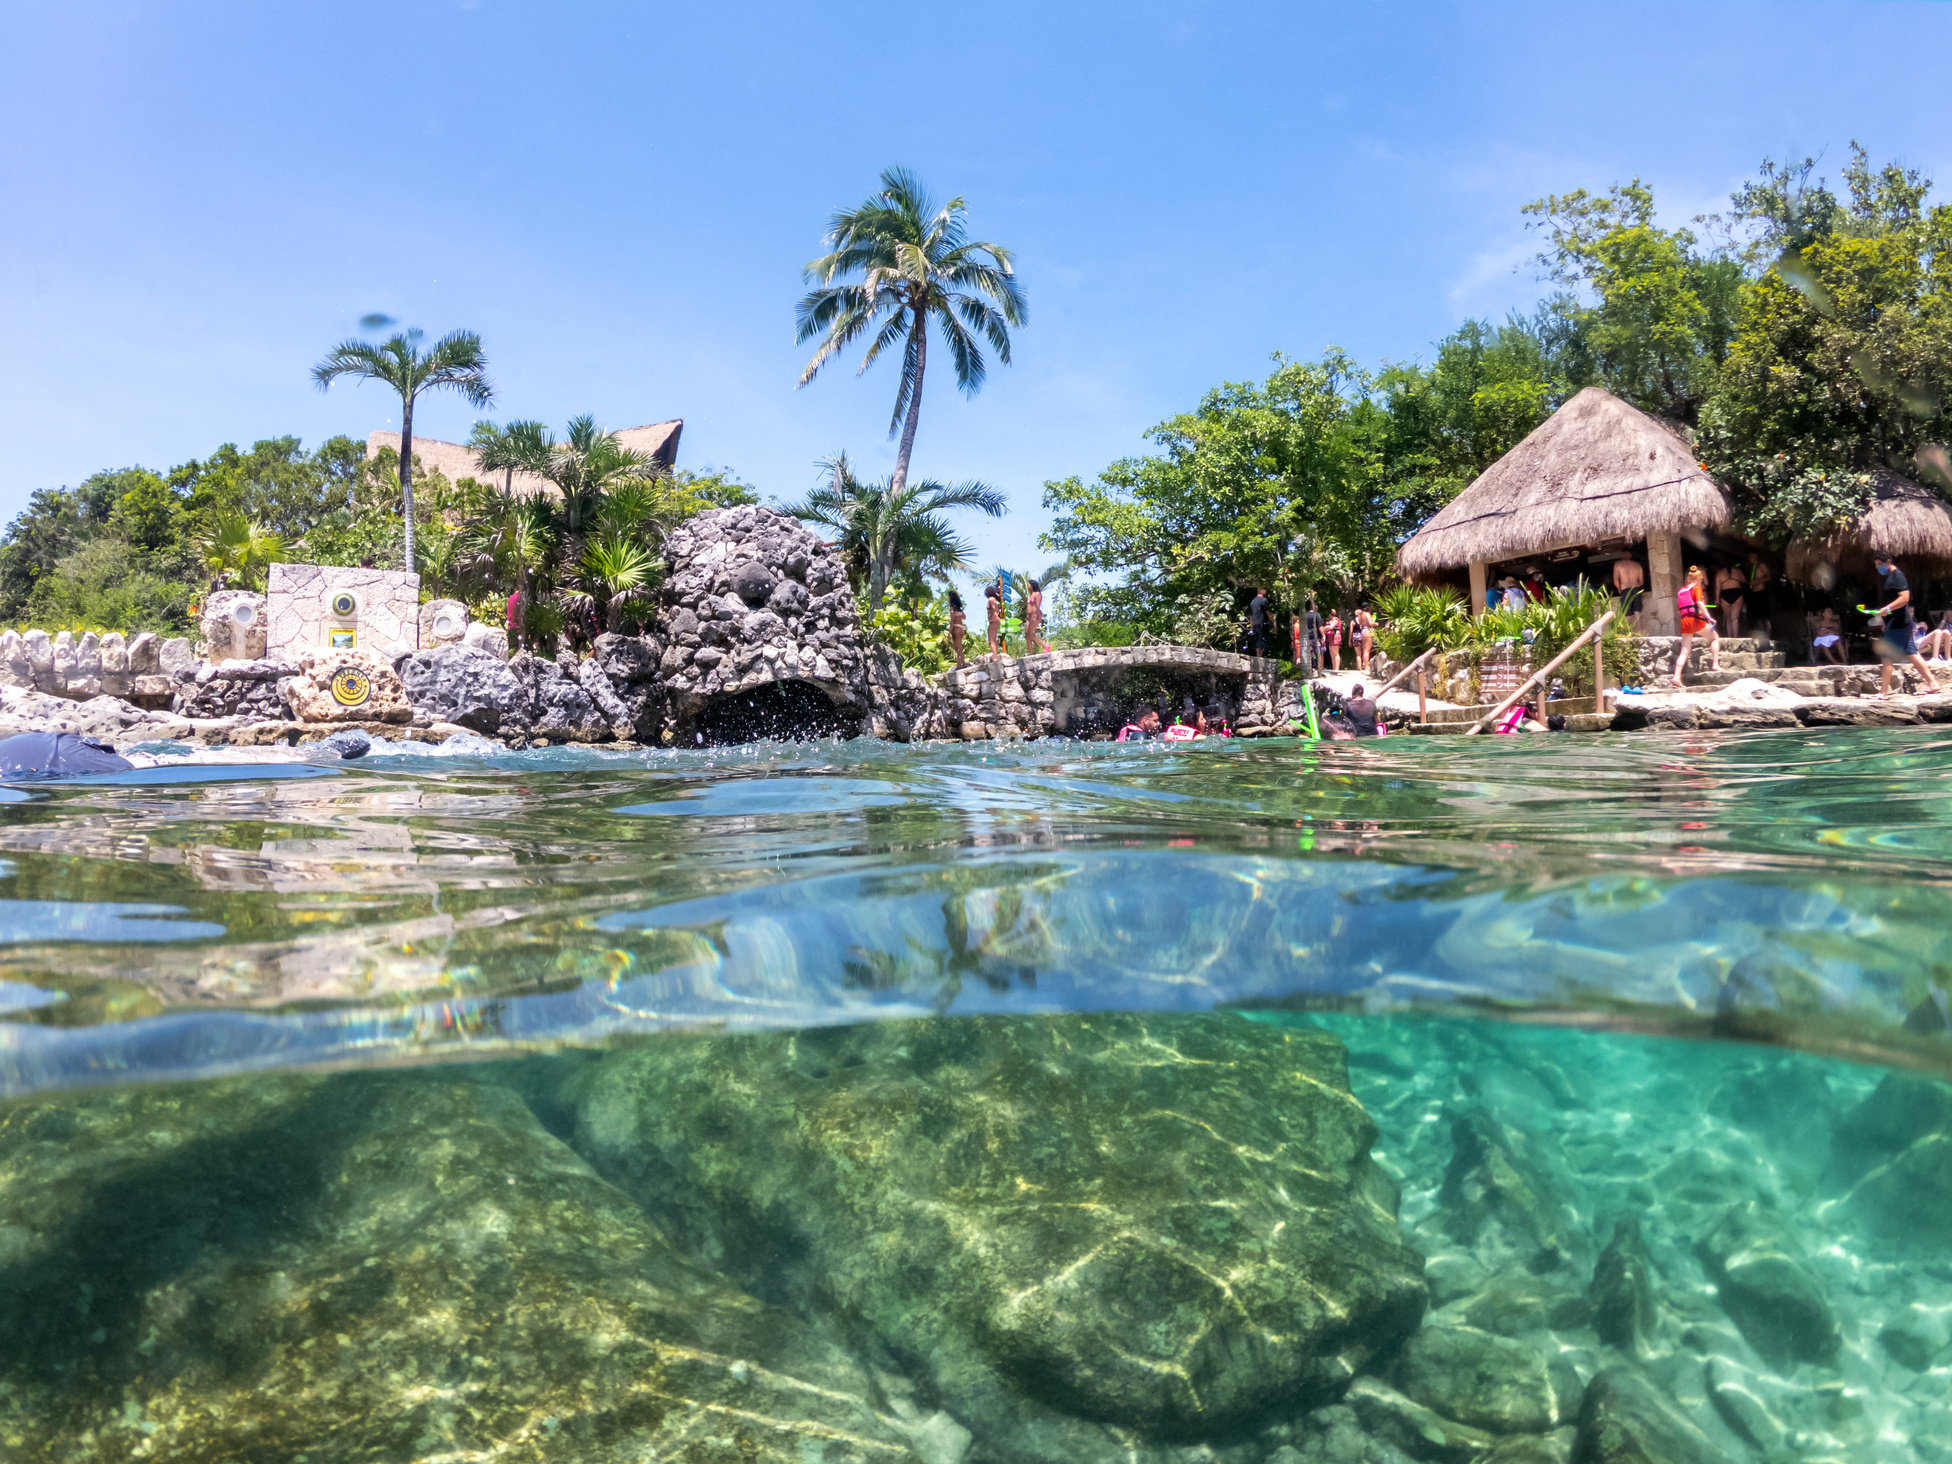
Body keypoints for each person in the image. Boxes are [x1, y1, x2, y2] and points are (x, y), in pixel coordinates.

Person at [1870, 554, 1942, 696]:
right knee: (1913, 654)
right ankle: (1933, 684)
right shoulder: (1891, 577)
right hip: (1898, 623)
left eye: (1879, 564)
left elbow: (1904, 598)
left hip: (1899, 624)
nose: (1878, 567)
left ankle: (1883, 692)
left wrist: (1887, 609)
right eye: (1876, 565)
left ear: (1888, 561)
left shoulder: (1898, 576)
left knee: (1886, 656)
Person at [1674, 566, 1721, 687]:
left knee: (1685, 650)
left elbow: (1679, 610)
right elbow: (1699, 602)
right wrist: (1708, 617)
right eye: (1701, 579)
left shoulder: (1681, 591)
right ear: (1699, 578)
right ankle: (1715, 664)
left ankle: (1676, 676)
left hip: (1684, 621)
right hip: (1695, 620)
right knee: (1715, 637)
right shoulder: (1696, 588)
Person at [1715, 561, 1748, 638]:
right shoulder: (1738, 571)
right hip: (1737, 592)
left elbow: (1717, 587)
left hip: (1725, 593)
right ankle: (1735, 637)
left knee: (1728, 619)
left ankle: (1730, 637)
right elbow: (1744, 580)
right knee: (1735, 619)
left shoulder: (1720, 573)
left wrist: (1717, 599)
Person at [1746, 553, 1774, 641]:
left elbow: (1769, 577)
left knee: (1765, 616)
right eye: (1749, 557)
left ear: (1755, 556)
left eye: (1751, 556)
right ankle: (1762, 636)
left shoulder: (1761, 565)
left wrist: (1758, 581)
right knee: (1757, 617)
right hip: (1755, 593)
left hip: (1762, 592)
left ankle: (1768, 636)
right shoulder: (1753, 568)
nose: (1750, 558)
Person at [1024, 578, 1052, 654]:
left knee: (1031, 634)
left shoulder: (1037, 594)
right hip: (1029, 617)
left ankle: (1046, 646)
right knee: (1027, 635)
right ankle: (1031, 653)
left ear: (1032, 586)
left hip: (1035, 615)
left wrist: (1035, 615)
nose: (1027, 587)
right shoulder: (1030, 595)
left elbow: (1038, 605)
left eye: (1028, 585)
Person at [1247, 587, 1270, 659]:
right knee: (1262, 639)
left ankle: (1258, 655)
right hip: (1262, 623)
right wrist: (1273, 621)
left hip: (1255, 624)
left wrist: (1252, 626)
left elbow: (1251, 616)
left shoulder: (1252, 602)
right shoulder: (1263, 600)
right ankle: (1259, 656)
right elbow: (1267, 612)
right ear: (1263, 591)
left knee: (1257, 640)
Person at [1353, 605, 1376, 672]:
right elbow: (1371, 623)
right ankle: (1366, 666)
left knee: (1364, 649)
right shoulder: (1367, 614)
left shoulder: (1361, 615)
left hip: (1362, 632)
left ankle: (1364, 664)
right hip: (1367, 631)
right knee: (1367, 650)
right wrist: (1376, 623)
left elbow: (1360, 623)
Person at [947, 589, 967, 667]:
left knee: (957, 646)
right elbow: (964, 617)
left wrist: (949, 632)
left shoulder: (952, 608)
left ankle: (959, 664)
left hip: (956, 628)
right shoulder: (959, 609)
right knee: (959, 646)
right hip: (961, 627)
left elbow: (952, 620)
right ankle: (963, 662)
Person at [985, 584, 1004, 661]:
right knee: (993, 639)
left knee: (991, 640)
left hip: (994, 620)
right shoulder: (994, 599)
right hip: (996, 620)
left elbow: (993, 608)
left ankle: (995, 657)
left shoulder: (990, 599)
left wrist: (993, 616)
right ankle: (995, 656)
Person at [1304, 599, 1323, 671]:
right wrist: (1323, 635)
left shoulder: (1306, 615)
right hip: (1316, 636)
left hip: (1308, 636)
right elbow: (1320, 626)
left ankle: (1311, 667)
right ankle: (1318, 668)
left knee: (1310, 652)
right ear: (1315, 607)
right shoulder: (1317, 615)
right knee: (1318, 652)